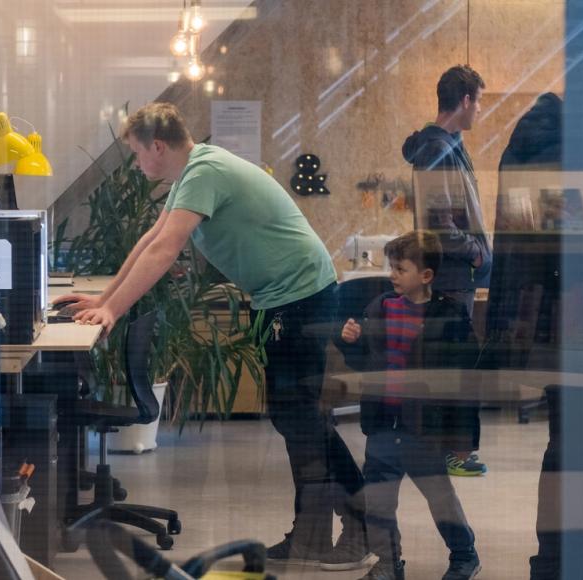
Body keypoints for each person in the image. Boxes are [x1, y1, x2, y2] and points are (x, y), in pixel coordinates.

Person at [55, 102, 372, 569]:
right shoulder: (193, 172)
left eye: (137, 154)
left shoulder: (204, 171)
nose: (137, 164)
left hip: (300, 294)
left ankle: (363, 525)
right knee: (295, 418)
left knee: (301, 418)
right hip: (284, 296)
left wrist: (112, 311)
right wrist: (105, 300)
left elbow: (165, 250)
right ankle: (312, 533)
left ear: (157, 146)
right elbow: (151, 239)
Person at [495, 77, 583, 580]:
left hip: (543, 314)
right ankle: (558, 562)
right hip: (582, 315)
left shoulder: (526, 139)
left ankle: (564, 558)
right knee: (575, 442)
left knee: (571, 438)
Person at [337, 231, 481, 580]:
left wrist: (464, 440)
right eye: (392, 267)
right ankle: (389, 563)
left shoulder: (451, 317)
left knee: (440, 497)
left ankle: (464, 555)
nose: (392, 275)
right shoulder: (380, 308)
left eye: (400, 269)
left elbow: (465, 385)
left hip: (423, 430)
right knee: (379, 502)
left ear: (426, 275)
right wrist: (351, 342)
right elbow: (364, 363)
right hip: (383, 424)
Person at [402, 64, 492, 477]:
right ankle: (452, 453)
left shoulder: (446, 144)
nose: (480, 110)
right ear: (465, 100)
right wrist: (476, 253)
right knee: (453, 369)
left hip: (455, 276)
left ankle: (445, 451)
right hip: (452, 277)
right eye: (479, 101)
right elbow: (441, 223)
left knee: (450, 365)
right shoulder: (436, 150)